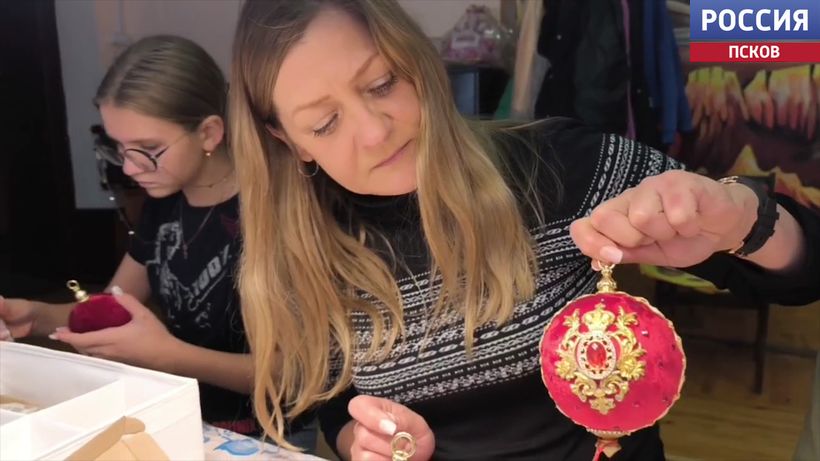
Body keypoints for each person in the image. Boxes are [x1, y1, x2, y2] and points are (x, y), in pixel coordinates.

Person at [228, 1, 819, 459]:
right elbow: (337, 407)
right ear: (289, 142)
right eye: (325, 123)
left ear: (415, 59)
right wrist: (365, 440)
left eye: (383, 84)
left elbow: (804, 274)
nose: (375, 130)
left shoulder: (562, 167)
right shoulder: (303, 255)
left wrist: (743, 218)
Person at [0, 35, 316, 451]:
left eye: (148, 149)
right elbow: (111, 307)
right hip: (181, 420)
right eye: (118, 148)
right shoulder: (163, 205)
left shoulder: (275, 212)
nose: (130, 168)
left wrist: (168, 356)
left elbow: (295, 375)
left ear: (209, 133)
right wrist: (35, 316)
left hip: (272, 437)